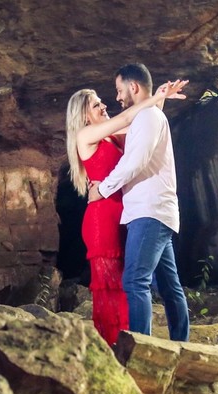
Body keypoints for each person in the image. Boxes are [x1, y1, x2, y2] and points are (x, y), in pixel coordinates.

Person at [65, 79, 186, 346]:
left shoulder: (111, 135)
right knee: (114, 288)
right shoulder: (84, 136)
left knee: (128, 283)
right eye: (96, 105)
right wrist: (155, 97)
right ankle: (114, 347)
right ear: (84, 116)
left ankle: (133, 344)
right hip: (102, 218)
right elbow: (130, 115)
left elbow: (146, 127)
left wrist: (160, 100)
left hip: (125, 214)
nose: (104, 105)